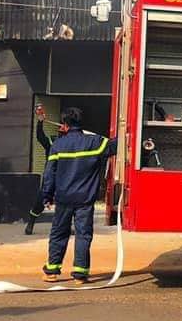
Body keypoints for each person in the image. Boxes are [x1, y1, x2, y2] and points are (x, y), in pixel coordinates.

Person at [39, 107, 116, 285]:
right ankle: (80, 274)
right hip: (85, 200)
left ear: (64, 125)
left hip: (63, 198)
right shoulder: (95, 142)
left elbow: (49, 173)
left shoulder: (57, 145)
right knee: (83, 235)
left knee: (59, 233)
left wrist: (47, 195)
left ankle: (52, 271)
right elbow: (115, 145)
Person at [25, 105, 57, 235]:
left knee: (66, 203)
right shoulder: (52, 142)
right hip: (50, 176)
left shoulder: (72, 143)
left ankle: (65, 226)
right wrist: (40, 122)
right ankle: (31, 222)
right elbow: (40, 136)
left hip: (64, 177)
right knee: (40, 201)